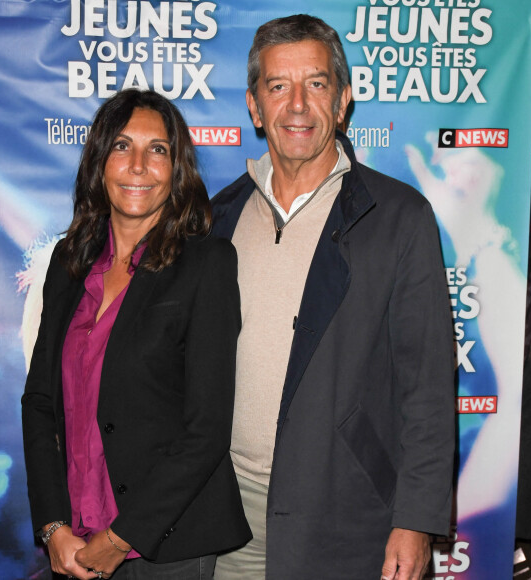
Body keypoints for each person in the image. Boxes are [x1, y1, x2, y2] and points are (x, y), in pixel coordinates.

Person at [211, 14, 455, 580]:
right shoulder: (217, 217)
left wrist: (416, 521)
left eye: (316, 84)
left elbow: (427, 388)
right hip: (222, 515)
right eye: (278, 87)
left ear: (342, 101)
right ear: (254, 106)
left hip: (345, 516)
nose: (297, 104)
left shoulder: (398, 218)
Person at [22, 88, 251, 580]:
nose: (139, 165)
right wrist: (52, 524)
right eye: (122, 146)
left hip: (167, 546)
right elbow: (40, 401)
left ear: (177, 170)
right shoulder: (68, 262)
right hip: (73, 539)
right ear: (99, 161)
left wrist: (121, 538)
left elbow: (206, 430)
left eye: (158, 150)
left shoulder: (207, 265)